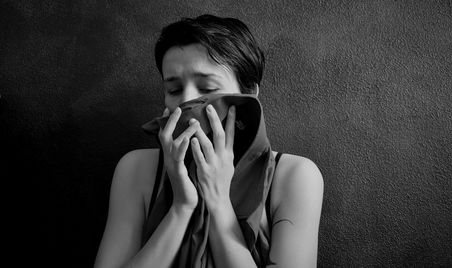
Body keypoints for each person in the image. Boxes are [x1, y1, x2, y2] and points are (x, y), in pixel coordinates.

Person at [94, 14, 323, 268]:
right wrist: (182, 207)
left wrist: (218, 202)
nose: (186, 101)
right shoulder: (136, 169)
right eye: (174, 90)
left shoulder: (295, 176)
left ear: (248, 93)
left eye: (207, 89)